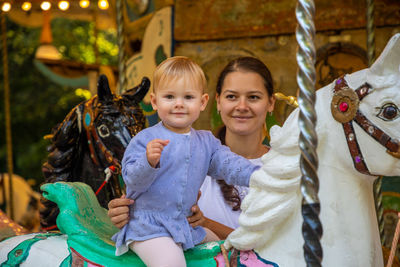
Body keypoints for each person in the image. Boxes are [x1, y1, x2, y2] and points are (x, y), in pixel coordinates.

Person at [111, 56, 259, 267]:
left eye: (188, 97)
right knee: (172, 263)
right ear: (154, 101)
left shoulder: (206, 142)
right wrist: (148, 162)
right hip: (150, 227)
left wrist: (260, 176)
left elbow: (229, 164)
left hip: (183, 226)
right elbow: (132, 182)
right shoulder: (145, 139)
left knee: (222, 248)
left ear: (202, 102)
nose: (179, 104)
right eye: (169, 96)